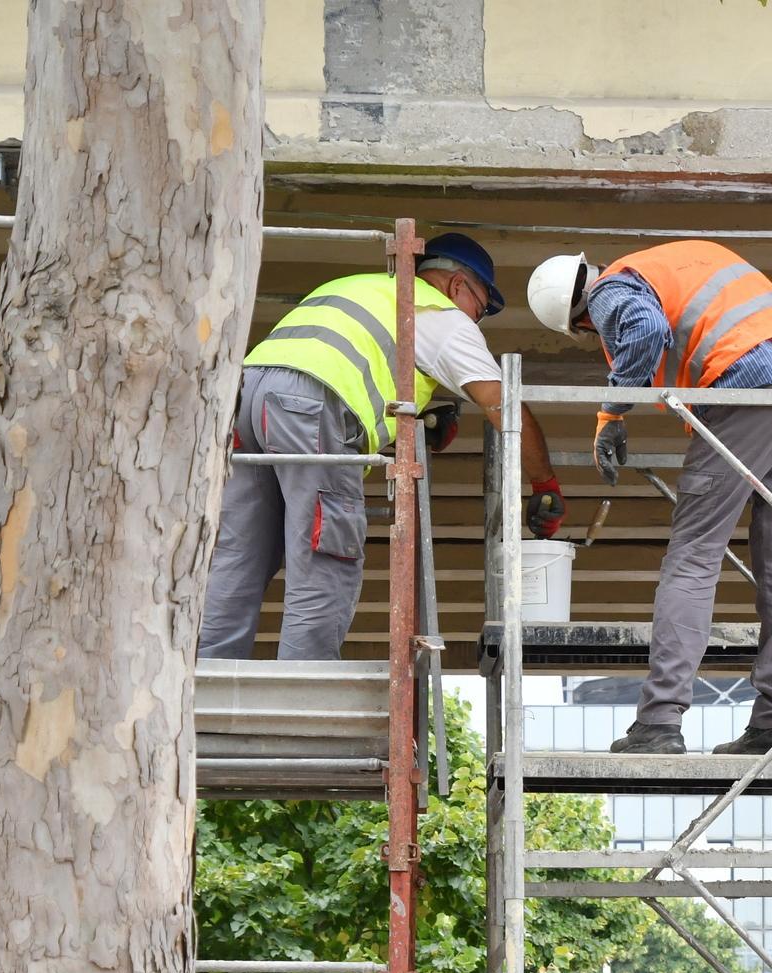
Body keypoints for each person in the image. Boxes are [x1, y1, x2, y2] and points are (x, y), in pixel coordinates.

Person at [528, 241, 772, 755]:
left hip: (750, 393)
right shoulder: (683, 258)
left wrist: (613, 410)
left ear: (580, 319)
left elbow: (647, 330)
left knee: (693, 557)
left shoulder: (610, 290)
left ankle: (659, 723)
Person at [200, 234, 564, 661]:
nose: (475, 322)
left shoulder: (357, 287)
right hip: (311, 406)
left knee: (240, 550)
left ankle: (205, 681)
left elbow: (362, 360)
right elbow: (503, 407)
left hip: (246, 401)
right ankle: (306, 687)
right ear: (457, 286)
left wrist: (421, 413)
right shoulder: (437, 313)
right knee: (325, 546)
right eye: (480, 310)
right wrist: (545, 483)